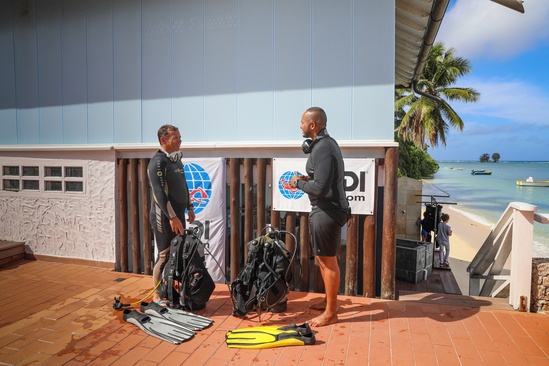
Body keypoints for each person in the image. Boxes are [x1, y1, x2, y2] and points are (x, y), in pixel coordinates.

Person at [289, 107, 350, 327]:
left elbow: (322, 188)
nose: (300, 126)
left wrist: (298, 183)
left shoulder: (323, 147)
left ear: (313, 125)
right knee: (325, 261)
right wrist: (308, 178)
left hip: (328, 211)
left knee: (328, 262)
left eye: (303, 122)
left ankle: (331, 313)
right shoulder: (323, 145)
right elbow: (322, 180)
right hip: (327, 210)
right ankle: (329, 302)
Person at [147, 124, 195, 303]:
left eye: (180, 137)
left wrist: (189, 207)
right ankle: (157, 294)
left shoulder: (176, 160)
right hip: (163, 216)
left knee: (178, 252)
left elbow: (184, 185)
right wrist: (173, 217)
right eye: (176, 138)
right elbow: (159, 193)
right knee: (164, 254)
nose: (180, 140)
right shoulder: (157, 162)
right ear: (163, 140)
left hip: (178, 214)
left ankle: (171, 288)